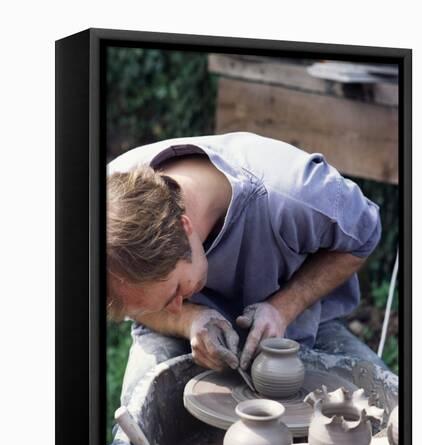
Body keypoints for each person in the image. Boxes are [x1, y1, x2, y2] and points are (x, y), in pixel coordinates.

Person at [107, 131, 386, 426]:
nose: (176, 304)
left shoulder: (295, 193)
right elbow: (147, 307)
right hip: (173, 335)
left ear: (184, 227)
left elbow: (364, 237)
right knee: (140, 420)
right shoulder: (106, 207)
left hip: (299, 319)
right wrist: (186, 320)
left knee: (384, 412)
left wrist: (284, 307)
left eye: (177, 291)